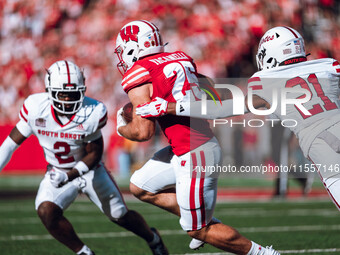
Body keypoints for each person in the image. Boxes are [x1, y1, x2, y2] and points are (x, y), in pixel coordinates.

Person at [115, 20, 280, 255]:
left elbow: (143, 132)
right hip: (190, 147)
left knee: (197, 230)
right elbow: (211, 88)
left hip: (194, 153)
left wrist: (122, 126)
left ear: (133, 48)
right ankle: (204, 218)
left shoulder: (140, 71)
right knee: (140, 186)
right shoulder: (181, 58)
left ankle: (264, 254)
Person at [136, 26, 340, 211]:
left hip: (321, 145)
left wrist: (171, 106)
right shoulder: (330, 66)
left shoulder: (264, 81)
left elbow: (221, 109)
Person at [0, 60, 168, 255]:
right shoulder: (36, 108)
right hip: (57, 170)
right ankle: (83, 252)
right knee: (46, 211)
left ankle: (152, 237)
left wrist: (70, 175)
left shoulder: (93, 111)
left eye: (73, 94)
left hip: (90, 172)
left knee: (120, 215)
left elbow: (95, 153)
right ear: (49, 91)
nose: (68, 100)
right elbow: (9, 145)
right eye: (62, 94)